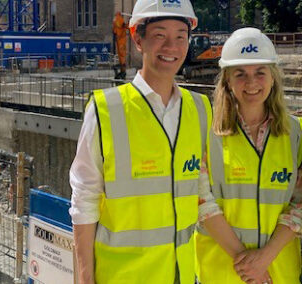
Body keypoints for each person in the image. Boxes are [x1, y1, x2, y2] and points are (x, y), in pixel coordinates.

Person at [69, 0, 221, 283]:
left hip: (183, 275)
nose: (171, 47)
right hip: (123, 276)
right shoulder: (106, 110)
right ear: (138, 39)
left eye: (180, 36)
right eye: (160, 35)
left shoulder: (200, 109)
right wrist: (85, 275)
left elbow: (200, 191)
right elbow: (84, 200)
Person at [195, 27, 302, 284]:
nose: (251, 82)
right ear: (227, 81)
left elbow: (300, 203)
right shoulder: (206, 132)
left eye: (260, 73)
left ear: (273, 77)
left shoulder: (295, 133)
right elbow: (201, 203)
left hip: (279, 274)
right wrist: (250, 266)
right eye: (240, 73)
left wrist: (266, 257)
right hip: (221, 275)